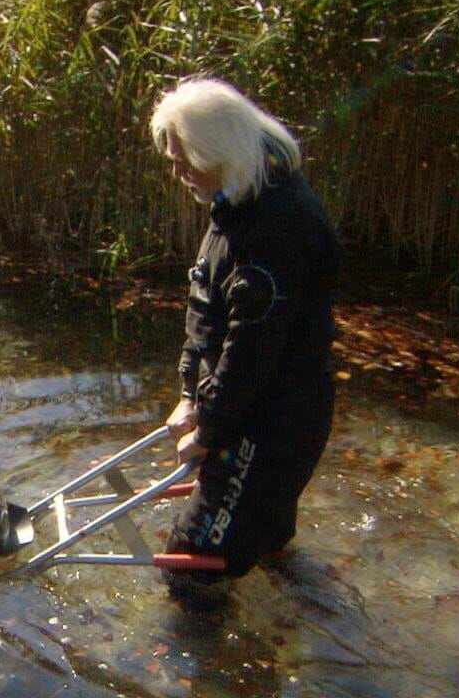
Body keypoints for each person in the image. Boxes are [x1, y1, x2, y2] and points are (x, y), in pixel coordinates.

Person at [148, 77, 339, 600]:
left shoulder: (280, 224)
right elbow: (206, 305)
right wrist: (190, 392)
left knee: (190, 567)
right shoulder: (237, 201)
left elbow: (251, 349)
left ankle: (190, 674)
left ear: (221, 150)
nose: (176, 170)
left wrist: (209, 428)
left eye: (185, 158)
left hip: (275, 420)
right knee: (268, 544)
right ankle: (294, 622)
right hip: (252, 410)